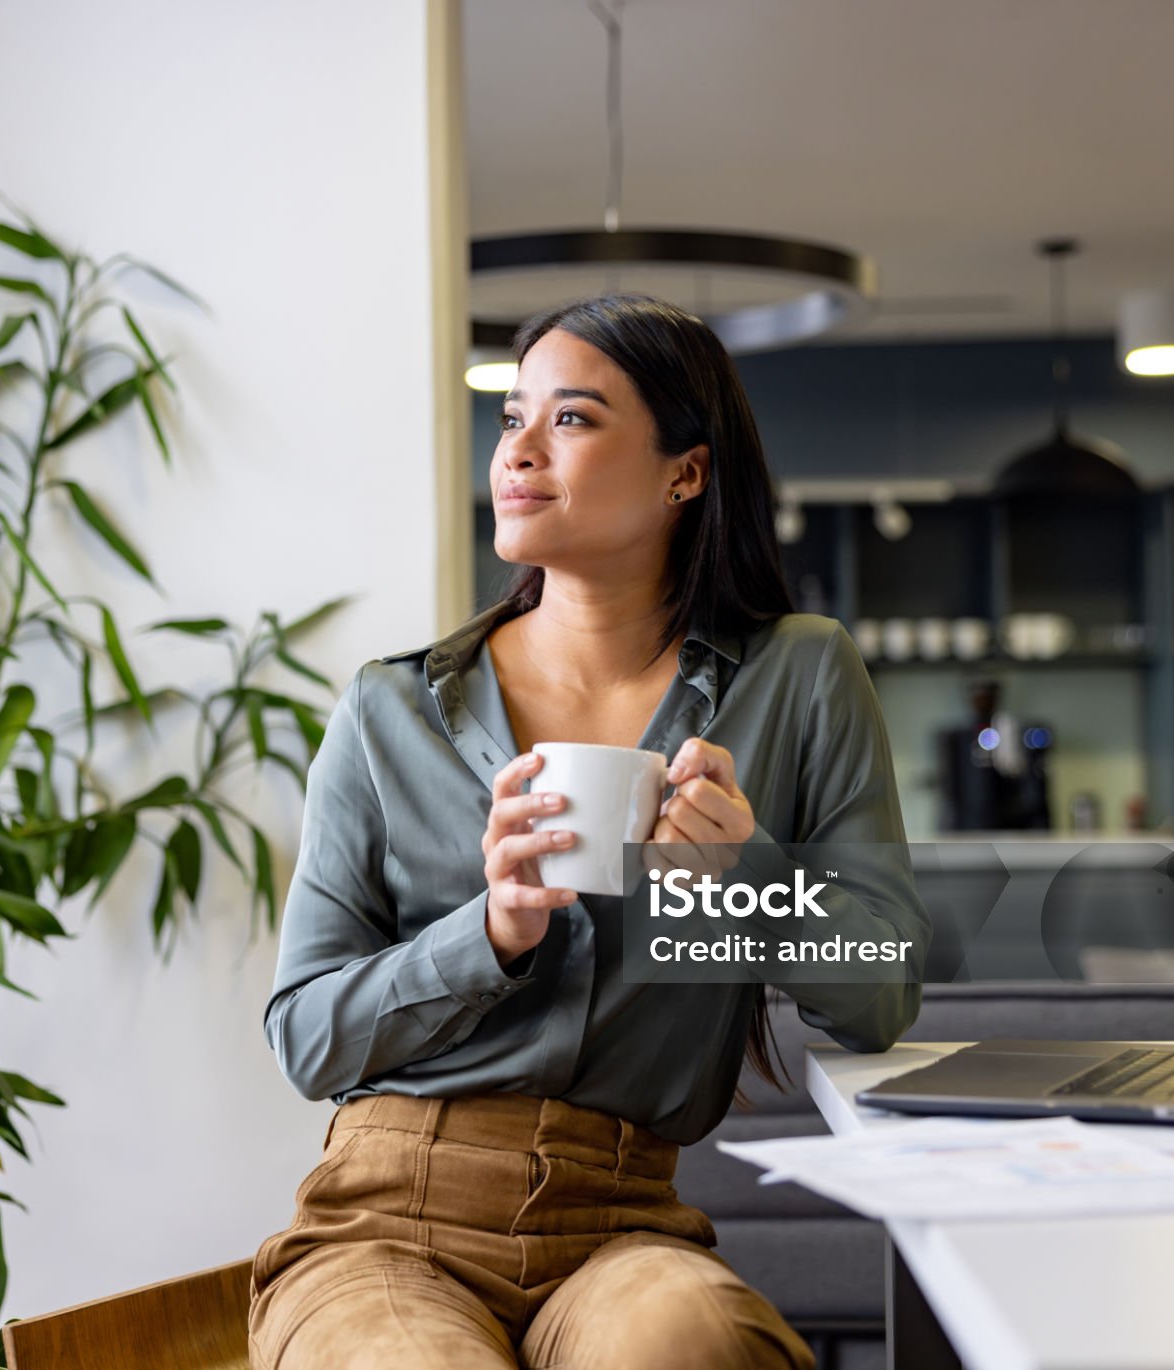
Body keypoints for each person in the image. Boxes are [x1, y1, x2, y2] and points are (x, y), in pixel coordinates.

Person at [250, 293, 929, 1369]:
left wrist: (741, 879)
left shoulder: (798, 674)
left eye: (568, 418)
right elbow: (304, 1034)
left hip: (620, 1225)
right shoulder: (389, 710)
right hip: (380, 1224)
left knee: (685, 1341)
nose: (514, 449)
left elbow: (881, 993)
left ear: (684, 473)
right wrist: (491, 933)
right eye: (510, 414)